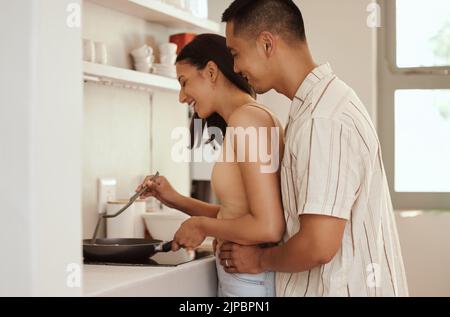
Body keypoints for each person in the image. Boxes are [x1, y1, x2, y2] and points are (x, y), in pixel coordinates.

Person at [218, 0, 409, 297]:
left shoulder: (322, 120)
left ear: (267, 44)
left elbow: (317, 245)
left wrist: (258, 260)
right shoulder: (322, 104)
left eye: (236, 54)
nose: (235, 67)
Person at [137, 34, 286, 297]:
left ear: (211, 71)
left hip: (250, 282)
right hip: (245, 278)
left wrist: (201, 226)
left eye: (184, 83)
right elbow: (235, 214)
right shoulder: (249, 118)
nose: (182, 97)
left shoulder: (247, 121)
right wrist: (175, 199)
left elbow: (268, 226)